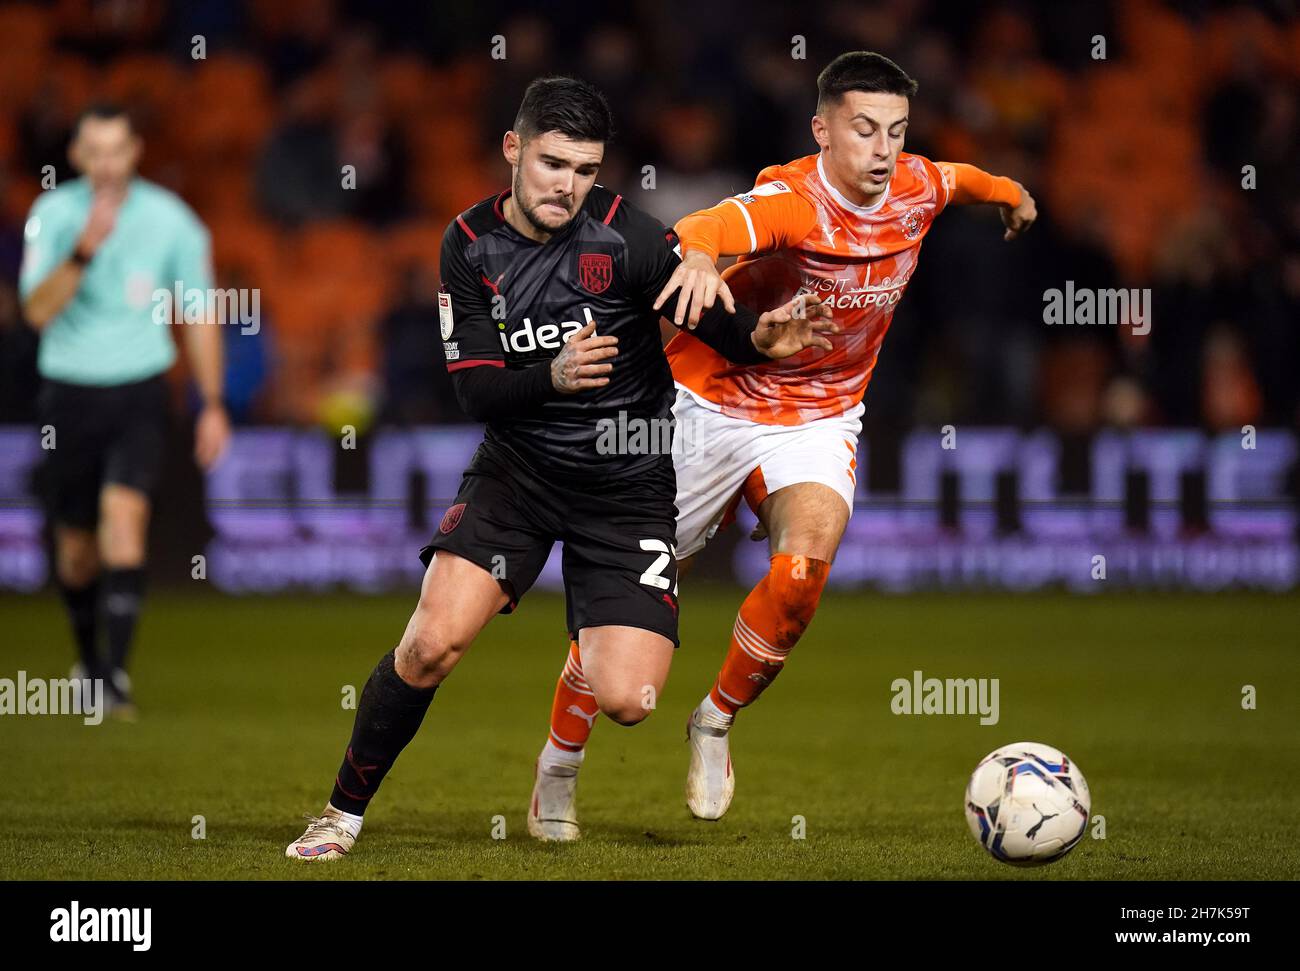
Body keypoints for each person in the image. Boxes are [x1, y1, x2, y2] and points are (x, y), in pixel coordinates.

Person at [285, 76, 835, 859]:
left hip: (629, 486)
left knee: (631, 699)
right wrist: (553, 376)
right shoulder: (469, 244)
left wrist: (766, 337)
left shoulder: (633, 240)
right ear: (513, 149)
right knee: (428, 646)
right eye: (551, 164)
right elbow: (475, 389)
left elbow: (728, 332)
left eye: (583, 170)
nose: (566, 186)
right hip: (520, 476)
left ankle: (556, 764)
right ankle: (339, 815)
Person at [533, 51, 1037, 828]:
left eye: (895, 132)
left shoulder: (913, 187)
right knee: (621, 613)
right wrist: (699, 256)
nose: (882, 149)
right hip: (708, 405)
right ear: (823, 129)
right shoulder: (791, 200)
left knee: (803, 570)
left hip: (819, 417)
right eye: (864, 129)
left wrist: (1008, 195)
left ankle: (715, 719)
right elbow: (710, 225)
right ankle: (559, 766)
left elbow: (958, 177)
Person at [19, 102, 229, 719]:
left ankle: (112, 680)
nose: (107, 164)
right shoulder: (52, 216)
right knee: (77, 552)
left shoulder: (174, 223)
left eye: (118, 150)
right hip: (68, 393)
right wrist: (83, 250)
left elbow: (199, 314)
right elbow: (36, 312)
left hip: (139, 388)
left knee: (124, 519)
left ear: (135, 152)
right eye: (95, 152)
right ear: (78, 157)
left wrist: (212, 403)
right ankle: (88, 662)